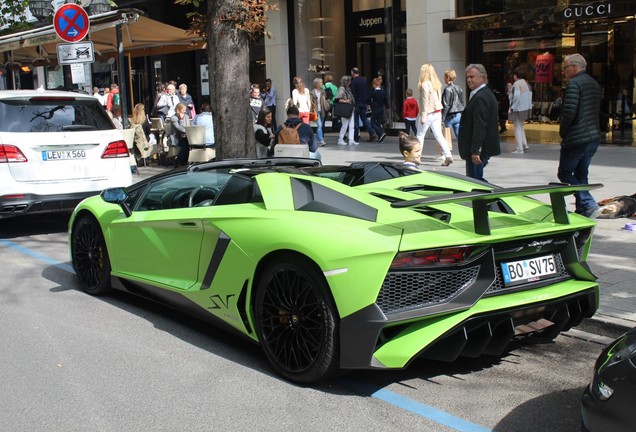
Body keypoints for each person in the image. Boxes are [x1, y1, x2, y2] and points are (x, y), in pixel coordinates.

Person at [558, 53, 602, 218]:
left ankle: (589, 203)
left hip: (577, 138)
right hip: (592, 137)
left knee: (565, 173)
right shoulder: (593, 83)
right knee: (581, 173)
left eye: (565, 68)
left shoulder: (574, 84)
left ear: (574, 67)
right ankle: (583, 208)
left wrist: (563, 132)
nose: (563, 72)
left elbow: (569, 112)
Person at [458, 64, 501, 181]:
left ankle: (487, 198)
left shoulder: (481, 97)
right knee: (475, 180)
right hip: (477, 149)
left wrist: (476, 151)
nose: (469, 80)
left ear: (483, 77)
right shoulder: (481, 94)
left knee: (475, 182)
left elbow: (480, 125)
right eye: (467, 77)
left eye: (472, 77)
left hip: (477, 151)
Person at [416, 64, 453, 166]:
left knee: (420, 135)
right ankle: (448, 155)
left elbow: (424, 101)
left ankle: (417, 156)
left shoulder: (424, 85)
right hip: (437, 112)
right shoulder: (436, 83)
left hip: (428, 113)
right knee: (439, 135)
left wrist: (423, 116)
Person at [508, 67, 532, 153]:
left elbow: (517, 96)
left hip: (518, 108)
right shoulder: (526, 83)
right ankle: (524, 144)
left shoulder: (517, 83)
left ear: (516, 75)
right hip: (525, 107)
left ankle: (519, 148)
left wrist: (512, 106)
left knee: (517, 127)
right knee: (520, 126)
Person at [350, 67, 376, 142]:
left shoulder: (353, 82)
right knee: (364, 119)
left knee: (356, 120)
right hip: (364, 102)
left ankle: (356, 136)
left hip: (357, 103)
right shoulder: (364, 80)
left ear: (353, 73)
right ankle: (371, 133)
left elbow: (353, 93)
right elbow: (367, 91)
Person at [441, 69, 465, 141]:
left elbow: (446, 105)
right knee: (460, 136)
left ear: (448, 78)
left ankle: (445, 151)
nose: (444, 79)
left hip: (450, 116)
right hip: (458, 115)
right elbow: (462, 102)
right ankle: (465, 151)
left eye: (445, 77)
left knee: (444, 135)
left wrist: (442, 119)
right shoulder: (459, 87)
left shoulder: (447, 89)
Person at [335, 75, 357, 146]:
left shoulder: (348, 88)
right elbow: (337, 99)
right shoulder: (342, 89)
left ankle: (351, 139)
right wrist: (346, 101)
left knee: (351, 125)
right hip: (345, 108)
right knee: (345, 125)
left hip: (350, 108)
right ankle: (340, 139)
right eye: (349, 81)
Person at [170, 102, 191, 167]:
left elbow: (188, 126)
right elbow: (179, 128)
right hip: (177, 137)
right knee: (185, 144)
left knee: (188, 143)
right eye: (183, 110)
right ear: (178, 110)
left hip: (186, 136)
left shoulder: (186, 116)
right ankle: (179, 162)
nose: (184, 112)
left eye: (185, 110)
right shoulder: (173, 118)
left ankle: (183, 162)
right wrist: (181, 119)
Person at [368, 77, 388, 143]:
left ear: (374, 85)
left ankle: (381, 133)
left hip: (375, 109)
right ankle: (380, 137)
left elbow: (368, 100)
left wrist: (370, 104)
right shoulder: (383, 92)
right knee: (378, 123)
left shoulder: (373, 93)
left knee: (372, 123)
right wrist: (387, 107)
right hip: (381, 108)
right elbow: (386, 100)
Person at [311, 77, 329, 147]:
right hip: (316, 110)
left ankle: (318, 139)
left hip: (322, 110)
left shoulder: (323, 91)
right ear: (317, 84)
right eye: (321, 82)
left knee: (320, 126)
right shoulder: (312, 92)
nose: (322, 84)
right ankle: (321, 140)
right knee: (320, 125)